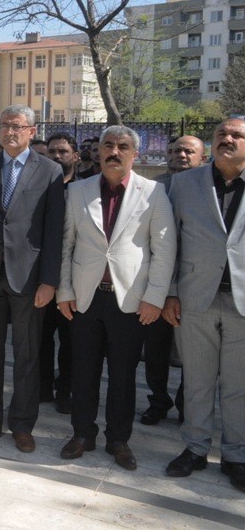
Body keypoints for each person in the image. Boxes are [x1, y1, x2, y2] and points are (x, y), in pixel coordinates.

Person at [56, 126, 175, 471]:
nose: (114, 152)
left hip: (131, 300)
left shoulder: (153, 192)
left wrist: (154, 297)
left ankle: (118, 439)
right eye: (108, 145)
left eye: (123, 147)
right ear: (98, 151)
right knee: (83, 370)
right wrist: (64, 290)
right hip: (85, 296)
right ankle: (82, 433)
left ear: (134, 154)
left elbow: (164, 248)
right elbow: (66, 245)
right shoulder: (78, 191)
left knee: (123, 375)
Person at [0, 104, 65, 453]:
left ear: (32, 131)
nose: (9, 132)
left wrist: (49, 281)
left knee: (27, 355)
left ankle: (22, 423)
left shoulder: (49, 171)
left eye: (17, 126)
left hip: (29, 280)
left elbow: (54, 233)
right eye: (4, 126)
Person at [163, 118, 245, 493]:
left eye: (237, 135)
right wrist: (170, 292)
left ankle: (236, 455)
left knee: (238, 385)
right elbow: (169, 243)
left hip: (242, 302)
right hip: (196, 297)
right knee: (195, 380)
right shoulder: (184, 183)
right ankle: (195, 448)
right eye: (222, 135)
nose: (227, 140)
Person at [140, 135, 203, 427]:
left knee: (194, 355)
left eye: (189, 151)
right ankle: (158, 401)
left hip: (195, 286)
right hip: (156, 284)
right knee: (155, 352)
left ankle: (185, 403)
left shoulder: (211, 189)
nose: (181, 155)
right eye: (175, 150)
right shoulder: (153, 189)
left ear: (202, 158)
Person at [40, 132, 79, 415]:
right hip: (41, 277)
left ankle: (65, 389)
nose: (56, 156)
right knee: (40, 337)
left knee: (71, 341)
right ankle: (42, 387)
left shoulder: (87, 188)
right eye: (52, 151)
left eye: (63, 151)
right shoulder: (38, 186)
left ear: (75, 156)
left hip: (74, 281)